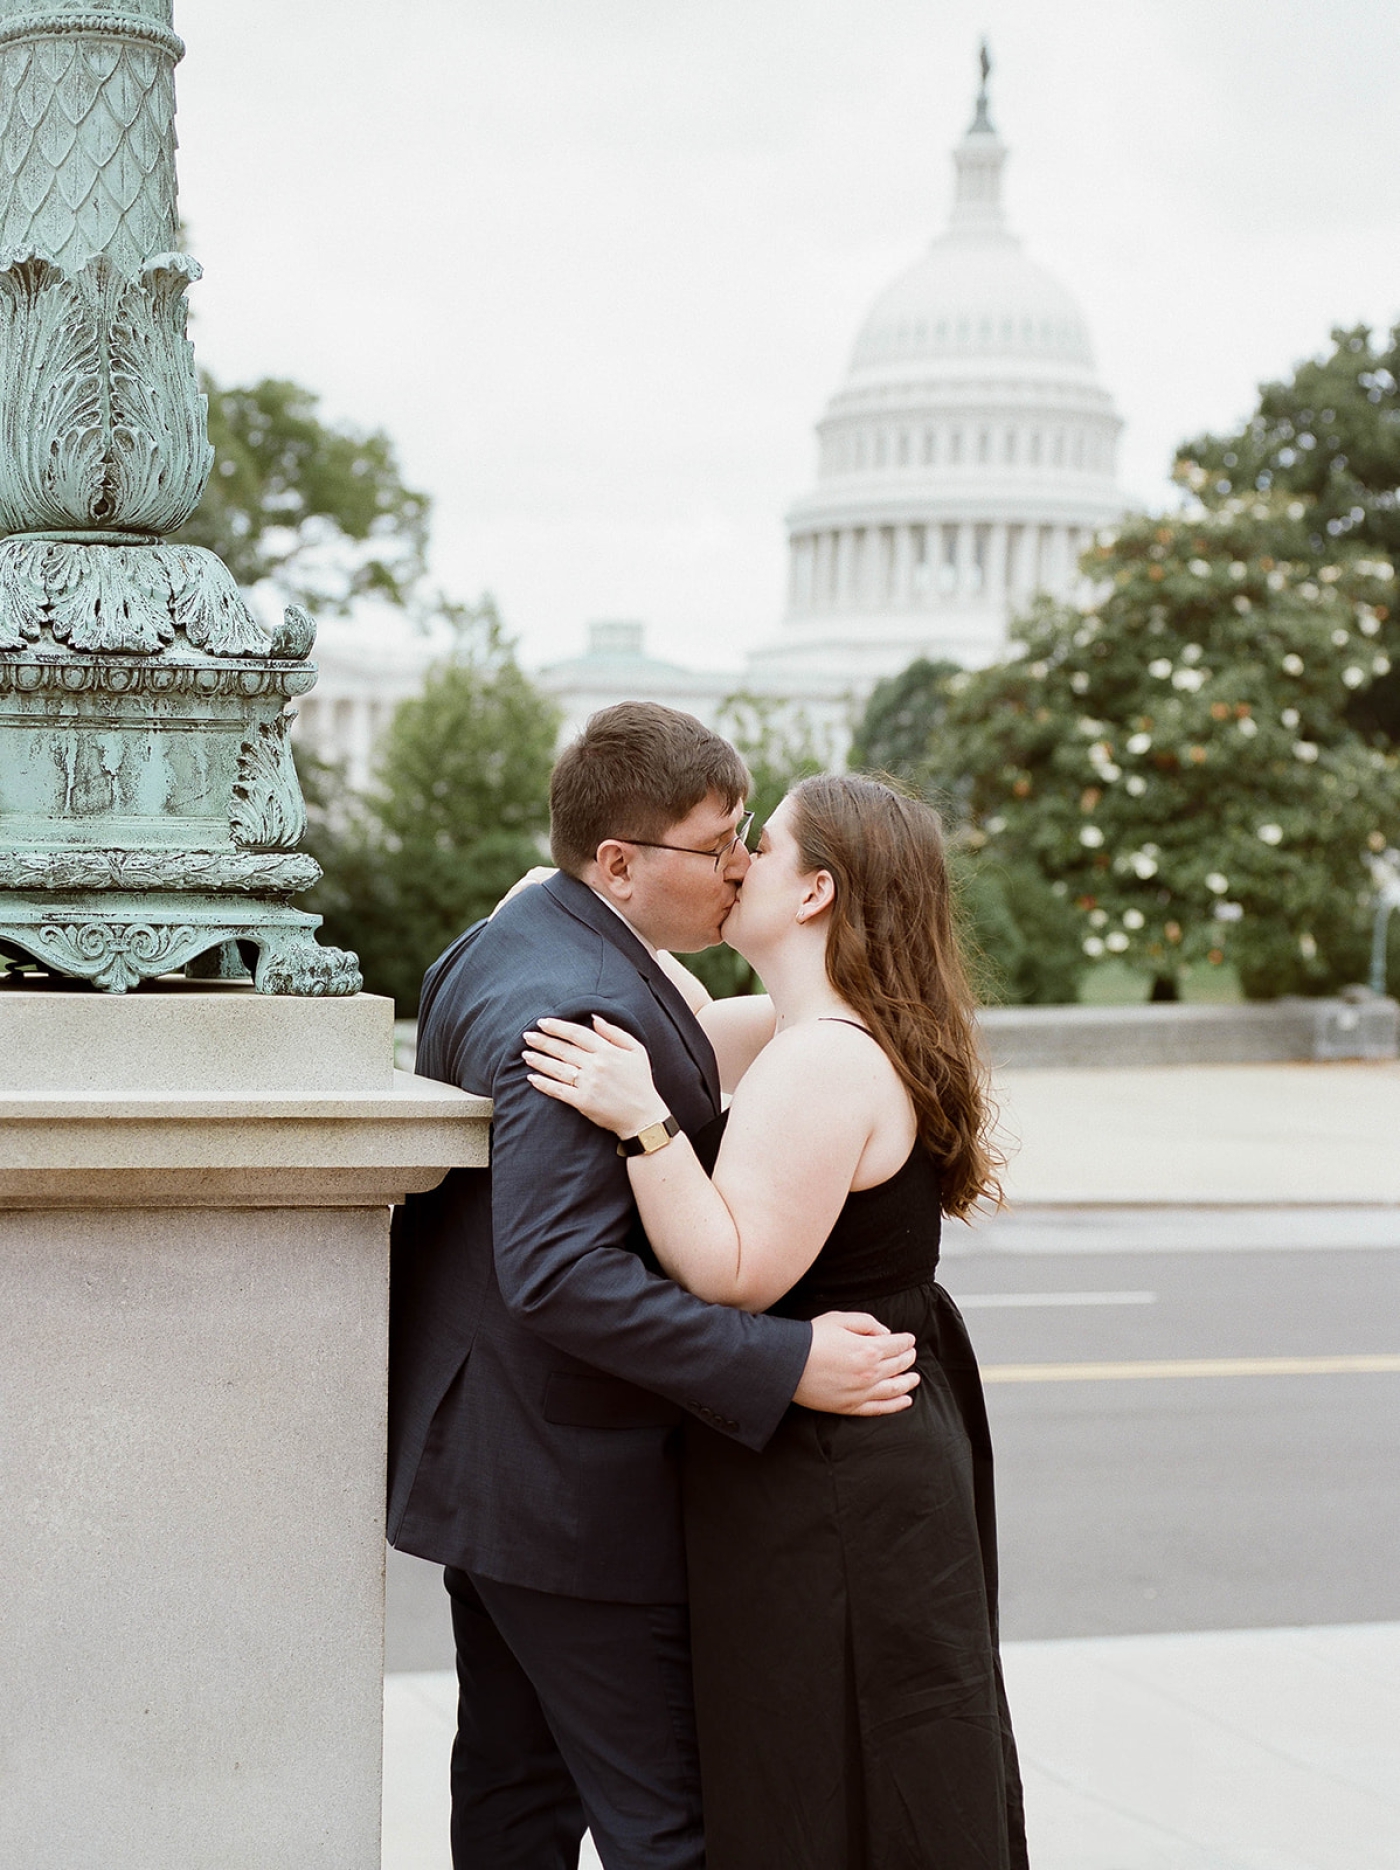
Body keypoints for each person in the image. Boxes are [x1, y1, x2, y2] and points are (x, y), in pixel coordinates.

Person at [386, 705, 922, 1870]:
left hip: (494, 1469)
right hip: (575, 1487)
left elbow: (714, 1027)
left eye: (746, 840)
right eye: (716, 843)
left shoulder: (522, 935)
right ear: (619, 865)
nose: (737, 868)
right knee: (669, 1823)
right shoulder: (582, 1006)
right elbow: (559, 1272)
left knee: (515, 1799)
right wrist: (786, 1364)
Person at [522, 772, 1028, 1870]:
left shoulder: (824, 1059)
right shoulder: (807, 1025)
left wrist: (642, 1124)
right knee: (864, 1745)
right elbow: (693, 1023)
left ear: (816, 892)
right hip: (861, 1440)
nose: (738, 860)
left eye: (764, 844)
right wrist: (574, 882)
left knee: (834, 1757)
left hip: (833, 1469)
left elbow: (731, 1271)